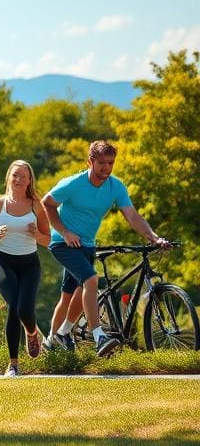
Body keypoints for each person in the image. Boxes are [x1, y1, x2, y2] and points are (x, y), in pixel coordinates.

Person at [41, 140, 169, 358]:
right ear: (90, 161)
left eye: (111, 163)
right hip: (63, 243)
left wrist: (154, 237)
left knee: (73, 294)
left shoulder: (116, 186)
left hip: (87, 244)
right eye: (101, 163)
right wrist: (65, 232)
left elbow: (132, 216)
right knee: (91, 280)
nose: (106, 168)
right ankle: (99, 335)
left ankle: (57, 337)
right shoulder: (74, 183)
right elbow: (47, 202)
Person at [0, 160, 50, 377]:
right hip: (2, 262)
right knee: (14, 306)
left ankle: (31, 331)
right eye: (15, 175)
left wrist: (36, 235)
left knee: (25, 311)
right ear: (9, 177)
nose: (18, 180)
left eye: (23, 177)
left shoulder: (36, 205)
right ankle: (13, 365)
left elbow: (47, 240)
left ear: (29, 181)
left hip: (29, 264)